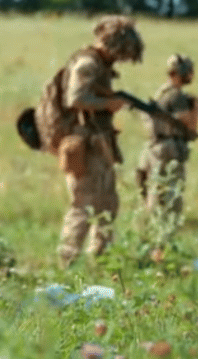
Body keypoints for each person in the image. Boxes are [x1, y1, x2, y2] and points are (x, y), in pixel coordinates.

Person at [43, 15, 144, 267]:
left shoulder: (100, 65)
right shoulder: (87, 64)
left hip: (99, 143)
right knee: (84, 204)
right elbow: (75, 100)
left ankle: (101, 258)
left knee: (108, 202)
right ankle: (67, 261)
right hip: (84, 145)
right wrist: (110, 104)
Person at [135, 54, 198, 227]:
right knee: (169, 200)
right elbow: (189, 125)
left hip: (154, 148)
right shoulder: (177, 97)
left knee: (154, 195)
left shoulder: (162, 93)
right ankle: (159, 242)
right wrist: (196, 109)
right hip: (168, 150)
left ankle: (149, 232)